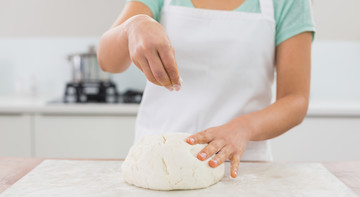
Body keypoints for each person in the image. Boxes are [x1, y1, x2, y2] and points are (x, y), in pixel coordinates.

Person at [97, 0, 315, 178]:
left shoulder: (290, 3)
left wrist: (244, 127)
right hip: (158, 166)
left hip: (241, 168)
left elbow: (295, 99)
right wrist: (133, 25)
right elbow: (108, 62)